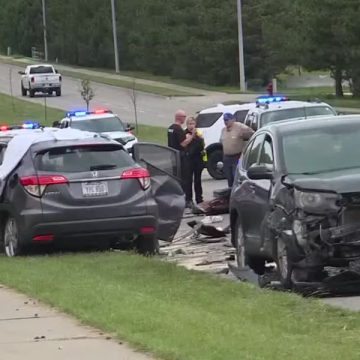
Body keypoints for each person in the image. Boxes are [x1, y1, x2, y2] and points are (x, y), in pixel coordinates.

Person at [220, 113, 254, 188]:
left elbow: (252, 133)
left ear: (233, 120)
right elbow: (221, 142)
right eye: (224, 120)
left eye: (227, 120)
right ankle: (230, 191)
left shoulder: (239, 127)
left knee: (235, 175)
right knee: (229, 177)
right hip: (226, 158)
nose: (225, 122)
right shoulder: (223, 130)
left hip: (237, 157)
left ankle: (237, 190)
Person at [167, 109, 195, 195]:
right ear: (180, 118)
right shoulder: (178, 129)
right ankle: (184, 197)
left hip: (173, 156)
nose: (185, 119)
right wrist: (192, 136)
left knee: (176, 177)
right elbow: (183, 144)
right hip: (181, 157)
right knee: (184, 178)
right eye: (184, 117)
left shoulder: (170, 128)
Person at [183, 117, 205, 207]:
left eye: (193, 124)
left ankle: (199, 198)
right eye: (189, 124)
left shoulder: (199, 134)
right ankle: (188, 199)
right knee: (188, 180)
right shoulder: (185, 134)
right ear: (187, 125)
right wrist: (191, 136)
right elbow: (185, 144)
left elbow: (202, 146)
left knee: (198, 180)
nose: (191, 126)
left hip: (198, 159)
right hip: (188, 159)